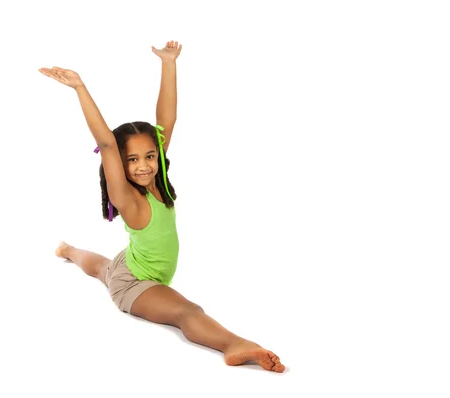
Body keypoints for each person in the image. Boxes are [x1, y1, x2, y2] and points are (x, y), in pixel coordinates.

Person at [39, 41, 285, 373]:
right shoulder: (127, 198)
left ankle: (67, 250)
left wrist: (168, 63)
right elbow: (107, 143)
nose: (143, 166)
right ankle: (234, 345)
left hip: (129, 263)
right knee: (188, 312)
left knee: (101, 268)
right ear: (119, 166)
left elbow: (166, 119)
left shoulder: (158, 177)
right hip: (138, 286)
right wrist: (80, 87)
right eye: (132, 160)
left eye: (150, 156)